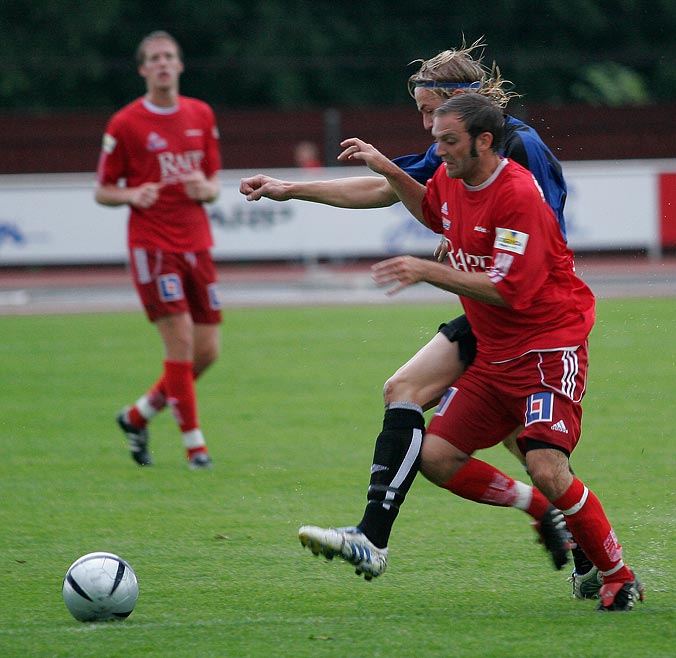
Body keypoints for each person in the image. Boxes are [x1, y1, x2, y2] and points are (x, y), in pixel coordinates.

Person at [242, 41, 600, 597]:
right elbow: (389, 188)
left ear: (463, 106)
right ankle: (560, 531)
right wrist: (292, 189)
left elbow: (533, 238)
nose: (427, 125)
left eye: (430, 111)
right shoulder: (455, 144)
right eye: (423, 115)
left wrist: (466, 241)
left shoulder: (515, 147)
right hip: (489, 313)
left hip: (526, 316)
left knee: (430, 402)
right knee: (518, 450)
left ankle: (376, 537)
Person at [326, 92, 644, 611]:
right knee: (436, 458)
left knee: (545, 463)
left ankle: (617, 574)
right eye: (435, 139)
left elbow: (509, 290)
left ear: (485, 140)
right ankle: (547, 512)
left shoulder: (519, 193)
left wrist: (426, 270)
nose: (439, 151)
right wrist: (385, 166)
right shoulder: (452, 177)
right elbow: (430, 209)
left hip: (548, 345)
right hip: (494, 353)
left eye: (448, 141)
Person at [95, 31, 222, 469]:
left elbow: (212, 184)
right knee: (181, 343)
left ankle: (136, 416)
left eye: (170, 56)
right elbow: (103, 191)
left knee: (207, 351)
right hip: (153, 245)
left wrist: (204, 188)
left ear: (180, 65)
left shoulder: (201, 114)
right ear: (143, 69)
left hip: (197, 243)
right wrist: (132, 195)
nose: (164, 63)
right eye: (155, 58)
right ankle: (196, 448)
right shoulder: (125, 123)